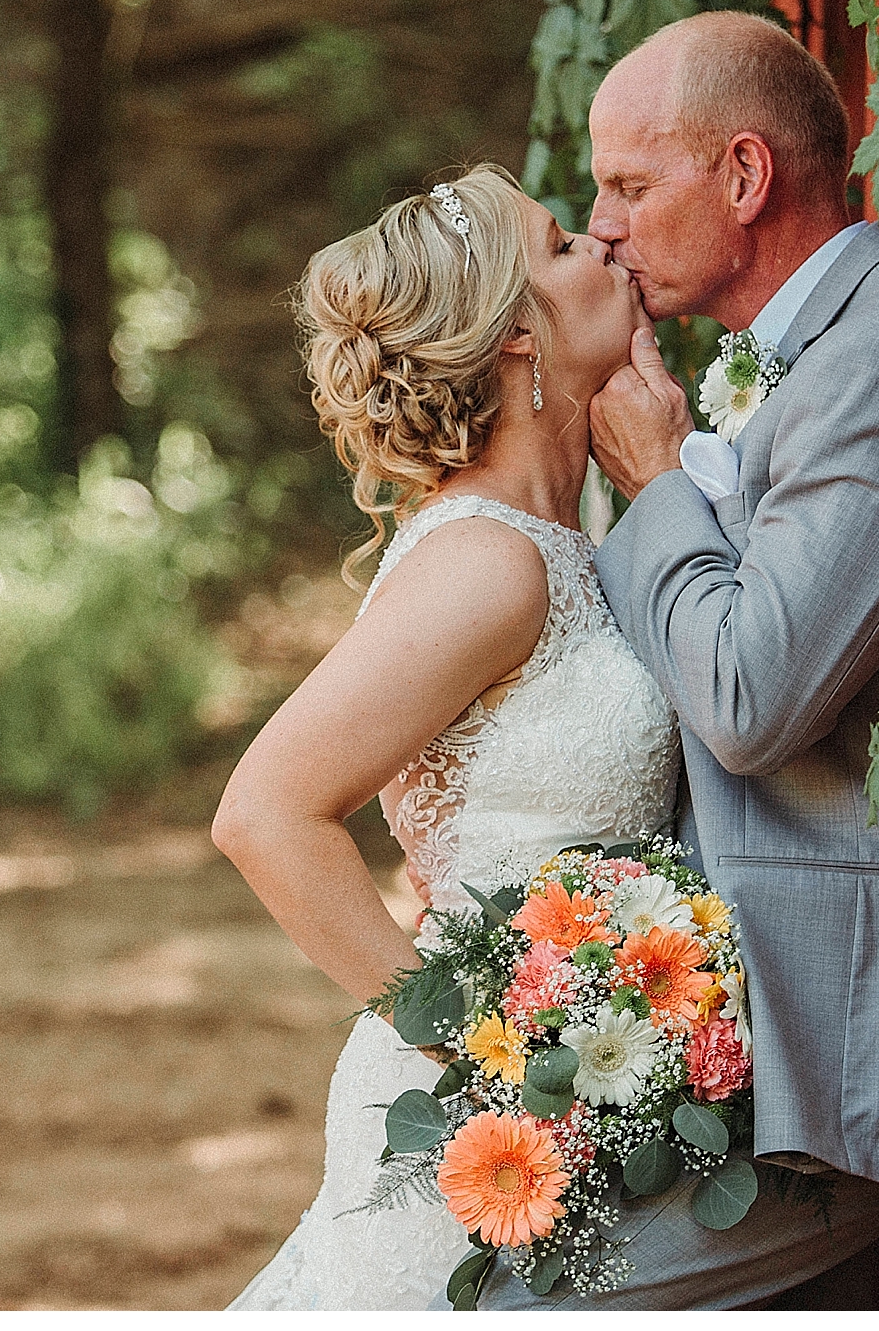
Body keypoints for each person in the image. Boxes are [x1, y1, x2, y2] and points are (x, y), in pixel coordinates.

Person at [466, 12, 879, 1310]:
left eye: (627, 184)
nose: (601, 224)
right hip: (743, 1033)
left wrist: (657, 479)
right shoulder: (775, 361)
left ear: (741, 174)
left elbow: (745, 698)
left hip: (837, 1046)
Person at [215, 164, 679, 1309]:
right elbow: (265, 814)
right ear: (519, 334)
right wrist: (482, 1059)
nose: (607, 248)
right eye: (568, 242)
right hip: (475, 1146)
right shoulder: (487, 559)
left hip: (597, 1110)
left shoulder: (577, 527)